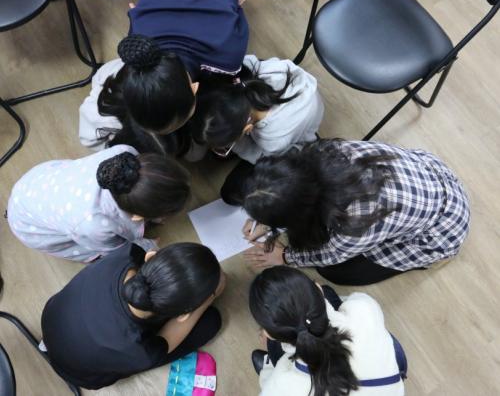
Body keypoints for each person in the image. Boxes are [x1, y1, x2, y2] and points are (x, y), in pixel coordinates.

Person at [241, 139, 470, 285]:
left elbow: (329, 255)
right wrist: (268, 211)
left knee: (334, 272)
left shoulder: (353, 221)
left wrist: (284, 256)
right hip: (430, 174)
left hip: (443, 228)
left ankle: (434, 259)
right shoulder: (328, 152)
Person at [79, 0, 249, 150]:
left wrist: (233, 1)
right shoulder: (139, 37)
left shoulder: (228, 56)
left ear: (194, 88)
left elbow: (237, 12)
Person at [41, 242, 225, 390]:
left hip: (53, 320)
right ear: (183, 315)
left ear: (150, 256)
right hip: (83, 375)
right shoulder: (140, 351)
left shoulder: (127, 253)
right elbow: (168, 338)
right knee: (210, 322)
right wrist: (212, 295)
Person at [7, 145, 190, 262]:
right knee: (110, 254)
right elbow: (118, 251)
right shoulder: (94, 226)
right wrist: (145, 246)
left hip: (39, 181)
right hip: (29, 224)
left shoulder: (126, 154)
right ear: (138, 216)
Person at [249, 267, 406, 396]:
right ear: (317, 288)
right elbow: (351, 303)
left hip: (289, 369)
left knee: (275, 350)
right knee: (330, 293)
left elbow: (269, 387)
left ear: (268, 334)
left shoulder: (283, 384)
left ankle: (269, 361)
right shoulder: (363, 309)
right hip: (388, 387)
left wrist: (268, 372)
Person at [190, 54, 324, 198]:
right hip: (302, 102)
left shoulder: (273, 142)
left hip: (291, 142)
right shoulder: (245, 72)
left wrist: (238, 146)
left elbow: (260, 156)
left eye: (228, 145)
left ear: (247, 129)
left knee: (231, 193)